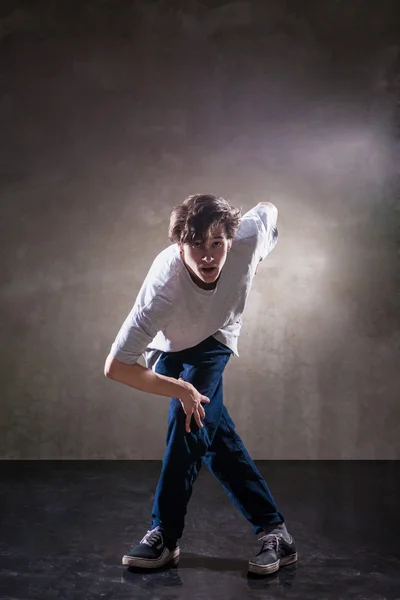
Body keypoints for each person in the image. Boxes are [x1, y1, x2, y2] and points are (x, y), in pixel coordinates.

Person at [104, 193, 297, 576]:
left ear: (230, 239)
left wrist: (256, 259)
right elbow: (116, 367)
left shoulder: (245, 241)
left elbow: (269, 209)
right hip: (169, 345)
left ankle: (164, 534)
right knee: (216, 439)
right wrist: (181, 388)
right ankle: (276, 532)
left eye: (216, 244)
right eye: (196, 244)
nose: (208, 255)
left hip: (216, 338)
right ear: (180, 244)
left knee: (189, 423)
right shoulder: (164, 291)